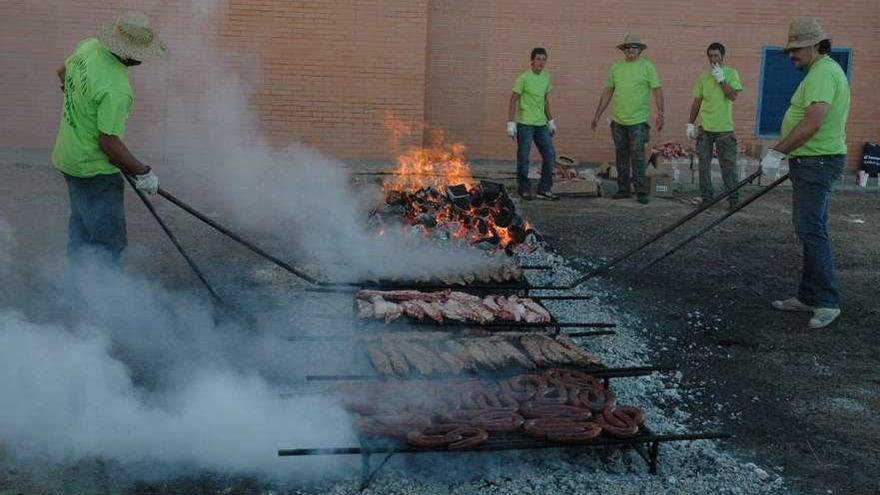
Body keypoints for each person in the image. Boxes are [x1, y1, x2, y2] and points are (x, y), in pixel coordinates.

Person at [52, 11, 167, 266]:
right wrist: (144, 172)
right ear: (126, 53)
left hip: (67, 158)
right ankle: (103, 298)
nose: (142, 59)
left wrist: (79, 103)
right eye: (140, 53)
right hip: (94, 170)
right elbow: (109, 144)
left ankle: (78, 285)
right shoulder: (116, 88)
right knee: (107, 242)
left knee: (82, 227)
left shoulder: (89, 45)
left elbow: (62, 72)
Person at [760, 17, 850, 329]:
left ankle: (827, 301)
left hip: (818, 161)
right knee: (810, 228)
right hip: (812, 161)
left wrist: (777, 151)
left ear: (814, 46)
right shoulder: (821, 72)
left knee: (811, 230)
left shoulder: (823, 73)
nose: (791, 56)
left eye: (796, 50)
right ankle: (809, 295)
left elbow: (813, 122)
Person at [591, 34, 664, 204]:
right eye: (628, 47)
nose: (631, 50)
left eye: (634, 47)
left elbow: (657, 90)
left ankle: (640, 191)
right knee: (621, 155)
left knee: (638, 156)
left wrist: (661, 113)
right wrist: (597, 115)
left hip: (638, 121)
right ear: (623, 50)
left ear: (640, 50)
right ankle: (623, 189)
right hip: (618, 121)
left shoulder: (648, 67)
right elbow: (608, 92)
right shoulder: (616, 68)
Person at [687, 42, 743, 209]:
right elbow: (697, 101)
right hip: (705, 129)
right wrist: (690, 123)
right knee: (703, 165)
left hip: (724, 129)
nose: (713, 59)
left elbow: (733, 96)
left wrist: (721, 80)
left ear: (722, 56)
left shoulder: (732, 73)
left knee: (728, 166)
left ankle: (733, 200)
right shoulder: (703, 77)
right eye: (710, 56)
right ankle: (707, 198)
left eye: (716, 56)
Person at [507, 47, 559, 201]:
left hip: (541, 124)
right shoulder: (523, 78)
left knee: (550, 155)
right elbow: (513, 100)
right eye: (538, 59)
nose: (541, 62)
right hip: (525, 124)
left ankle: (544, 189)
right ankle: (524, 189)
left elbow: (545, 99)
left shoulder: (546, 77)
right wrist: (511, 123)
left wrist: (550, 121)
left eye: (544, 59)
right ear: (532, 61)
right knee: (524, 157)